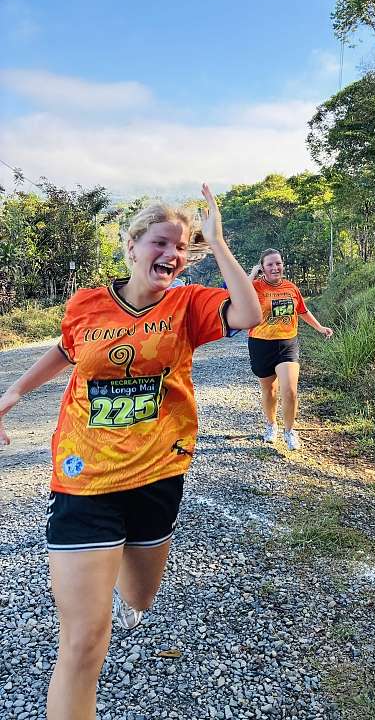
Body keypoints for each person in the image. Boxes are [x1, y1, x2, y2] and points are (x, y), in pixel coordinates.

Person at [0, 184, 261, 720]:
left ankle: (124, 585)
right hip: (84, 477)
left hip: (158, 473)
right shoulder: (87, 303)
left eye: (181, 247)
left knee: (140, 597)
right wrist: (16, 390)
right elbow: (67, 349)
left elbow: (249, 313)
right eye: (160, 242)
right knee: (83, 642)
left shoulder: (189, 304)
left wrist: (217, 242)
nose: (172, 254)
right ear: (133, 245)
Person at [247, 248, 333, 450]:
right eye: (269, 264)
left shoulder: (291, 288)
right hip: (261, 343)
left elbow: (302, 310)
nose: (275, 267)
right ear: (262, 268)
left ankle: (289, 431)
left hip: (287, 343)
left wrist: (320, 328)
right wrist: (252, 275)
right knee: (269, 390)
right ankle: (271, 425)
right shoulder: (255, 287)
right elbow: (238, 294)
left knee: (290, 390)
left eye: (278, 263)